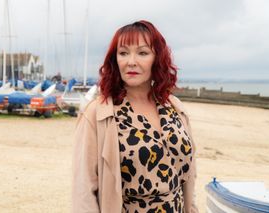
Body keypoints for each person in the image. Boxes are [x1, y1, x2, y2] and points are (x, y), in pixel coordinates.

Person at [73, 20, 198, 213]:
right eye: (123, 53)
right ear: (115, 60)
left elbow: (189, 177)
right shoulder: (98, 114)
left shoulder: (174, 107)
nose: (131, 61)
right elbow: (83, 192)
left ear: (157, 58)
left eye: (142, 53)